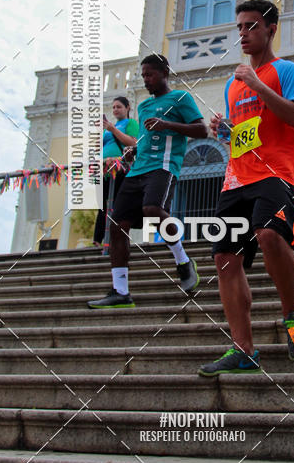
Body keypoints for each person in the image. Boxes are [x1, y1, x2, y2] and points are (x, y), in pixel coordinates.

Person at [199, 0, 294, 376]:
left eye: (251, 26)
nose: (244, 34)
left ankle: (293, 318)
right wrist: (226, 132)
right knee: (224, 259)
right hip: (236, 179)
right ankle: (244, 350)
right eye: (240, 28)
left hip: (276, 174)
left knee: (268, 234)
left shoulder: (285, 70)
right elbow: (247, 137)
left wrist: (256, 84)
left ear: (270, 29)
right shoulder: (233, 85)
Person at [87, 54, 206, 308]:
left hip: (163, 167)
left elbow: (201, 130)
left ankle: (183, 262)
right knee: (117, 225)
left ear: (164, 72)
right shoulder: (143, 107)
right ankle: (120, 291)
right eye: (143, 76)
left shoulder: (180, 98)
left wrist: (167, 125)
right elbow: (143, 138)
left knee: (152, 209)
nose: (146, 80)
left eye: (149, 74)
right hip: (137, 170)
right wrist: (133, 151)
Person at [92, 96, 139, 247]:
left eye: (119, 106)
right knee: (102, 205)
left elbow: (132, 142)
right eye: (113, 107)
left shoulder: (130, 123)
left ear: (127, 108)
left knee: (116, 204)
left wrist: (112, 129)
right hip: (103, 169)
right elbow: (98, 148)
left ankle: (114, 239)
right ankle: (97, 240)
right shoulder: (110, 128)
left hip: (119, 168)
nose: (115, 110)